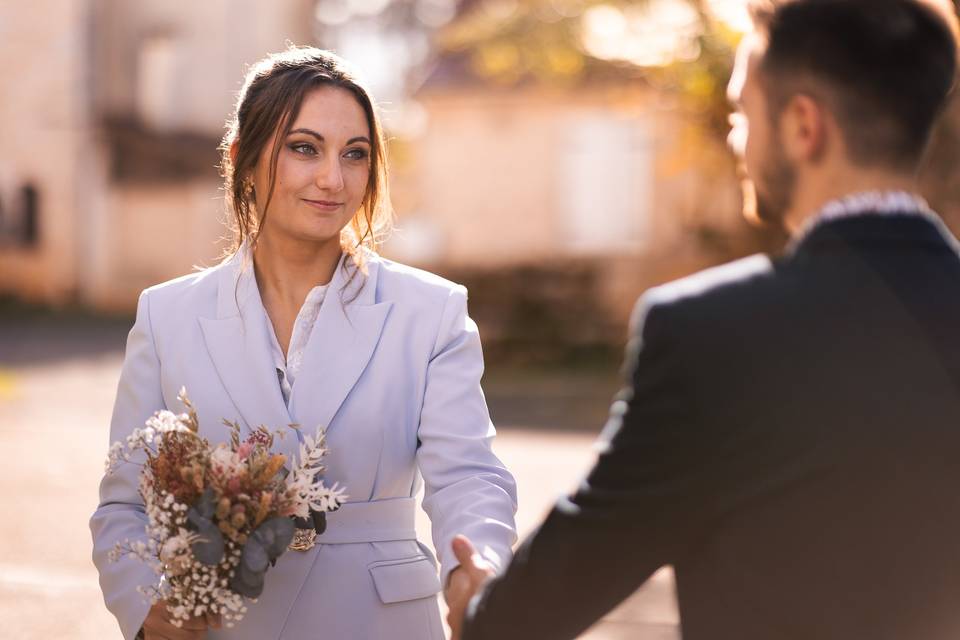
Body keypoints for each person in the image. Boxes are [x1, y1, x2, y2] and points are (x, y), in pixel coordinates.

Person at [447, 1, 960, 639]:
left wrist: (479, 610)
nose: (734, 137)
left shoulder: (711, 333)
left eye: (742, 111)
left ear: (805, 126)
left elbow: (552, 594)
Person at [89, 47, 518, 640]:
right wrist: (146, 608)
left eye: (355, 155)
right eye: (304, 148)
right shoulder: (167, 315)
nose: (332, 179)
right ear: (242, 158)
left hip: (384, 623)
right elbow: (124, 503)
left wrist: (479, 566)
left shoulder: (431, 312)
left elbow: (469, 475)